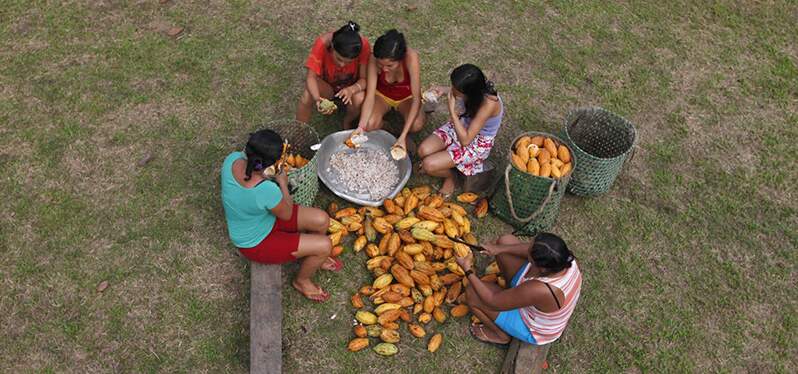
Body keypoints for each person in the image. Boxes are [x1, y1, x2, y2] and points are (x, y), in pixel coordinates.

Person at [220, 129, 340, 302]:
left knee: (322, 220)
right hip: (256, 242)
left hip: (261, 216)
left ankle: (312, 255)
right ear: (269, 166)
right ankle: (302, 281)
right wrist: (282, 183)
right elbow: (287, 213)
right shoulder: (265, 190)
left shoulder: (232, 159)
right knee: (325, 245)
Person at [454, 233, 582, 345]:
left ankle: (500, 336)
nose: (527, 250)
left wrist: (467, 270)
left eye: (530, 255)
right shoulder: (564, 258)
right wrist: (497, 249)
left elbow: (492, 301)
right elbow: (528, 250)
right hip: (533, 296)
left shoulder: (540, 290)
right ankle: (512, 295)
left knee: (472, 293)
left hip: (533, 327)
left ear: (541, 269)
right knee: (505, 241)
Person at [417, 64, 503, 197]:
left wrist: (452, 111)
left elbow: (466, 140)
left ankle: (452, 177)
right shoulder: (474, 88)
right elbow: (456, 91)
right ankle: (446, 160)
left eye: (455, 88)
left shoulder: (489, 104)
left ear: (470, 92)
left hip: (474, 142)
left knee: (428, 165)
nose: (452, 90)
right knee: (423, 151)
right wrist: (442, 90)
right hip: (461, 125)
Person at [355, 29, 424, 152]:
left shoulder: (411, 58)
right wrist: (361, 126)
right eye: (381, 65)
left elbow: (416, 98)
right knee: (370, 124)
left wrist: (403, 136)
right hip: (382, 96)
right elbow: (370, 96)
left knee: (416, 124)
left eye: (390, 66)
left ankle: (403, 136)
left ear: (401, 59)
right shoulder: (373, 59)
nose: (384, 69)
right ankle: (387, 128)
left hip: (406, 98)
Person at [296, 21, 370, 129]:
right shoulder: (322, 43)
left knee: (360, 98)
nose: (342, 65)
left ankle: (347, 121)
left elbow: (365, 80)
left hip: (350, 92)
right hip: (328, 88)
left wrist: (351, 90)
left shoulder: (363, 46)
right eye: (339, 59)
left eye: (349, 62)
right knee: (307, 96)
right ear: (332, 46)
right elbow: (311, 78)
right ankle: (300, 130)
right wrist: (317, 99)